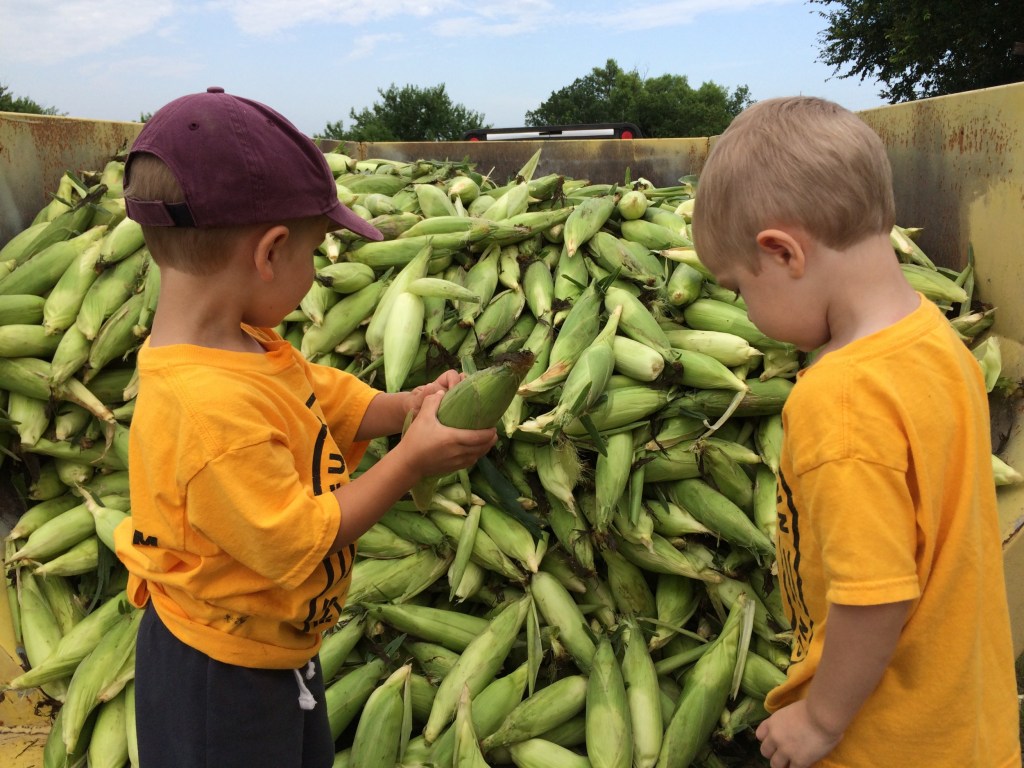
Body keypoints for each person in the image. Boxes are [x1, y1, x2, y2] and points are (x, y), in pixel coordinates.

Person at [112, 87, 498, 768]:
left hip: (275, 646)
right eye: (317, 252)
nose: (318, 270)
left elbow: (330, 401)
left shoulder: (245, 345)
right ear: (270, 253)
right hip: (218, 675)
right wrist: (409, 462)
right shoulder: (206, 410)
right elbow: (300, 539)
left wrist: (407, 406)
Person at [690, 96, 1021, 768]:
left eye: (738, 288)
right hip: (967, 724)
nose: (748, 314)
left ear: (781, 252)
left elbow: (876, 597)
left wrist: (819, 718)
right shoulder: (936, 340)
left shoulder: (838, 400)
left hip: (889, 740)